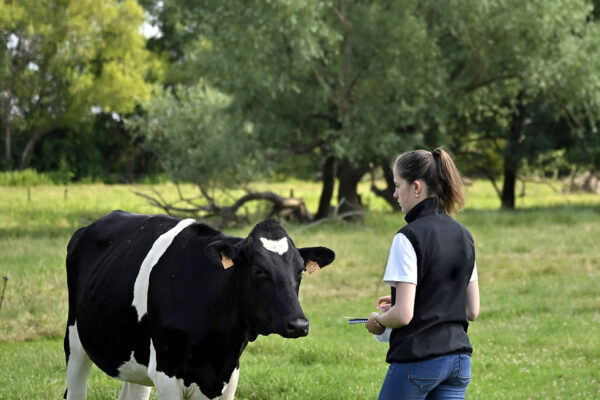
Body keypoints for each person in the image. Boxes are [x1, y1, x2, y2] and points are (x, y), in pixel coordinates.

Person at [366, 148, 480, 400]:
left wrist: (377, 321)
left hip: (418, 360)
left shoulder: (407, 237)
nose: (395, 194)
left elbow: (403, 315)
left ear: (416, 187)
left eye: (397, 185)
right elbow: (472, 310)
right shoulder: (464, 236)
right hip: (459, 362)